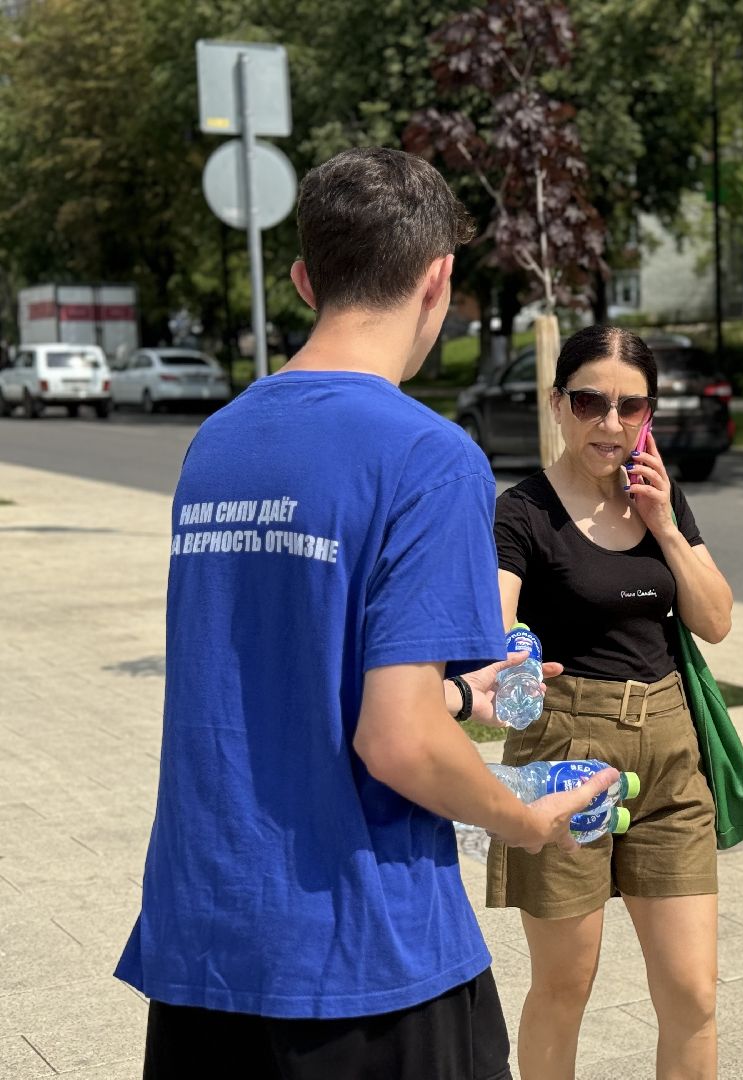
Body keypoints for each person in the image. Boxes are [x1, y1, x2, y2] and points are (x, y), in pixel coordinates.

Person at [115, 147, 617, 1080]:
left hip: (205, 944)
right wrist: (522, 819)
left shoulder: (216, 445)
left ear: (306, 278)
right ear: (439, 280)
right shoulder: (430, 456)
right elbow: (395, 743)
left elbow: (285, 666)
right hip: (364, 959)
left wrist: (460, 699)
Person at [485, 325, 734, 1080]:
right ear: (558, 404)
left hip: (668, 751)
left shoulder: (662, 496)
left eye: (632, 407)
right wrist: (515, 670)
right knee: (566, 985)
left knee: (692, 990)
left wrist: (663, 525)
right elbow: (495, 637)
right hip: (565, 754)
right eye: (591, 402)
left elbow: (715, 621)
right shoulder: (521, 512)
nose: (612, 424)